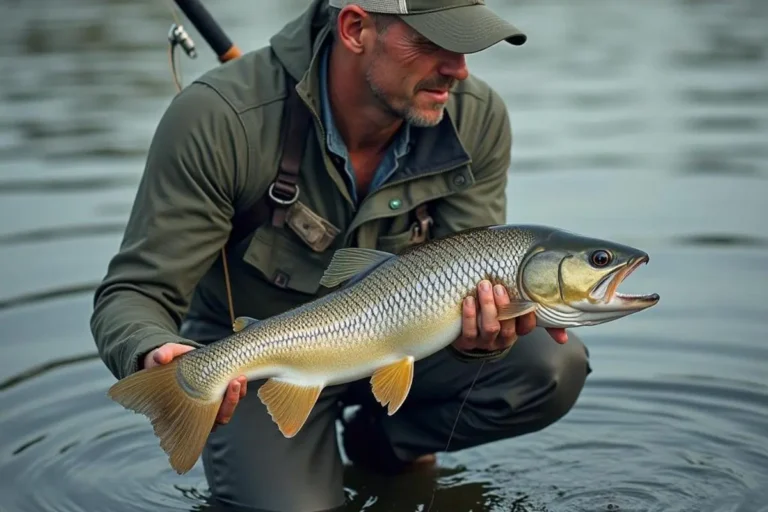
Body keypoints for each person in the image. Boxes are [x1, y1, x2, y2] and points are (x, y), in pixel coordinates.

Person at [90, 0, 591, 510]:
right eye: (433, 42)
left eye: (466, 45)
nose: (458, 69)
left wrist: (480, 342)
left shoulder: (476, 117)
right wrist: (153, 349)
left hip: (409, 341)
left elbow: (468, 270)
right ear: (356, 28)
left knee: (551, 364)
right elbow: (136, 292)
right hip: (258, 366)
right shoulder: (218, 118)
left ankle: (382, 445)